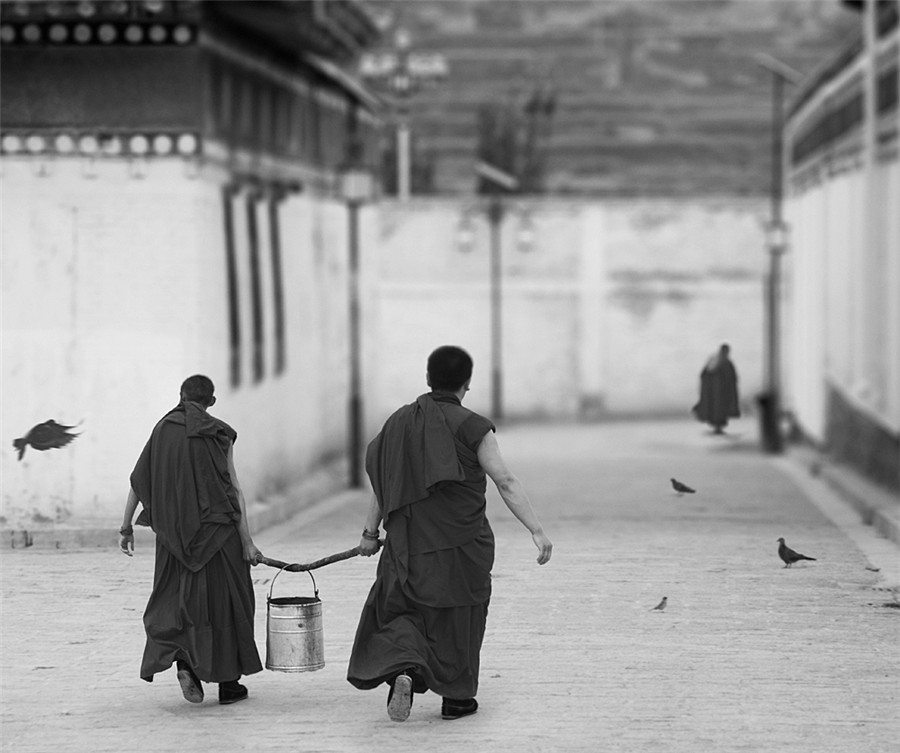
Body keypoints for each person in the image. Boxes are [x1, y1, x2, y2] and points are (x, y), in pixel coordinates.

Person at [347, 345, 553, 723]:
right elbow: (504, 481)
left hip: (407, 545)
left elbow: (384, 483)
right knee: (460, 617)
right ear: (467, 383)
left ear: (428, 378)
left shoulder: (398, 423)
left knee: (404, 611)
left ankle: (405, 669)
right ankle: (456, 700)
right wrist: (536, 530)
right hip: (461, 545)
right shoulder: (473, 426)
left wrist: (368, 532)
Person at [119, 375, 264, 706]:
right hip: (220, 537)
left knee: (180, 603)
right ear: (211, 402)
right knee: (227, 604)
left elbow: (139, 481)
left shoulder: (161, 431)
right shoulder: (220, 434)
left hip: (175, 539)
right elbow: (233, 489)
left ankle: (185, 661)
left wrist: (126, 526)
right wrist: (248, 542)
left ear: (180, 398)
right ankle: (229, 684)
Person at [692, 343, 740, 434]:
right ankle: (717, 428)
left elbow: (732, 378)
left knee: (718, 411)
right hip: (717, 393)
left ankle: (718, 428)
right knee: (718, 411)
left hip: (720, 393)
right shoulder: (720, 361)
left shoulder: (719, 361)